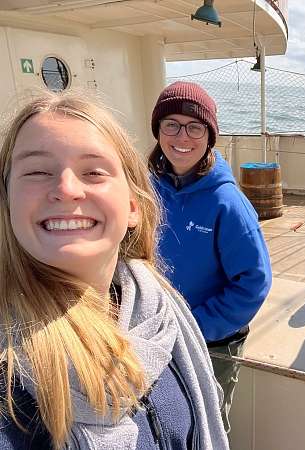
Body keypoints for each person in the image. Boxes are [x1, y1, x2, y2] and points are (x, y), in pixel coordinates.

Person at [0, 91, 229, 449]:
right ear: (7, 202)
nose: (66, 189)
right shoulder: (9, 376)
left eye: (93, 171)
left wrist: (209, 325)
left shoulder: (159, 311)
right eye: (37, 171)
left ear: (133, 207)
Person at [149, 81, 272, 433]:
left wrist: (194, 327)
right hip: (157, 332)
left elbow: (253, 282)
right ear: (158, 130)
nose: (181, 136)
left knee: (209, 420)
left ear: (209, 135)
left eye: (194, 127)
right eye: (170, 124)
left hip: (211, 341)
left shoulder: (228, 204)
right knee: (165, 413)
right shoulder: (146, 187)